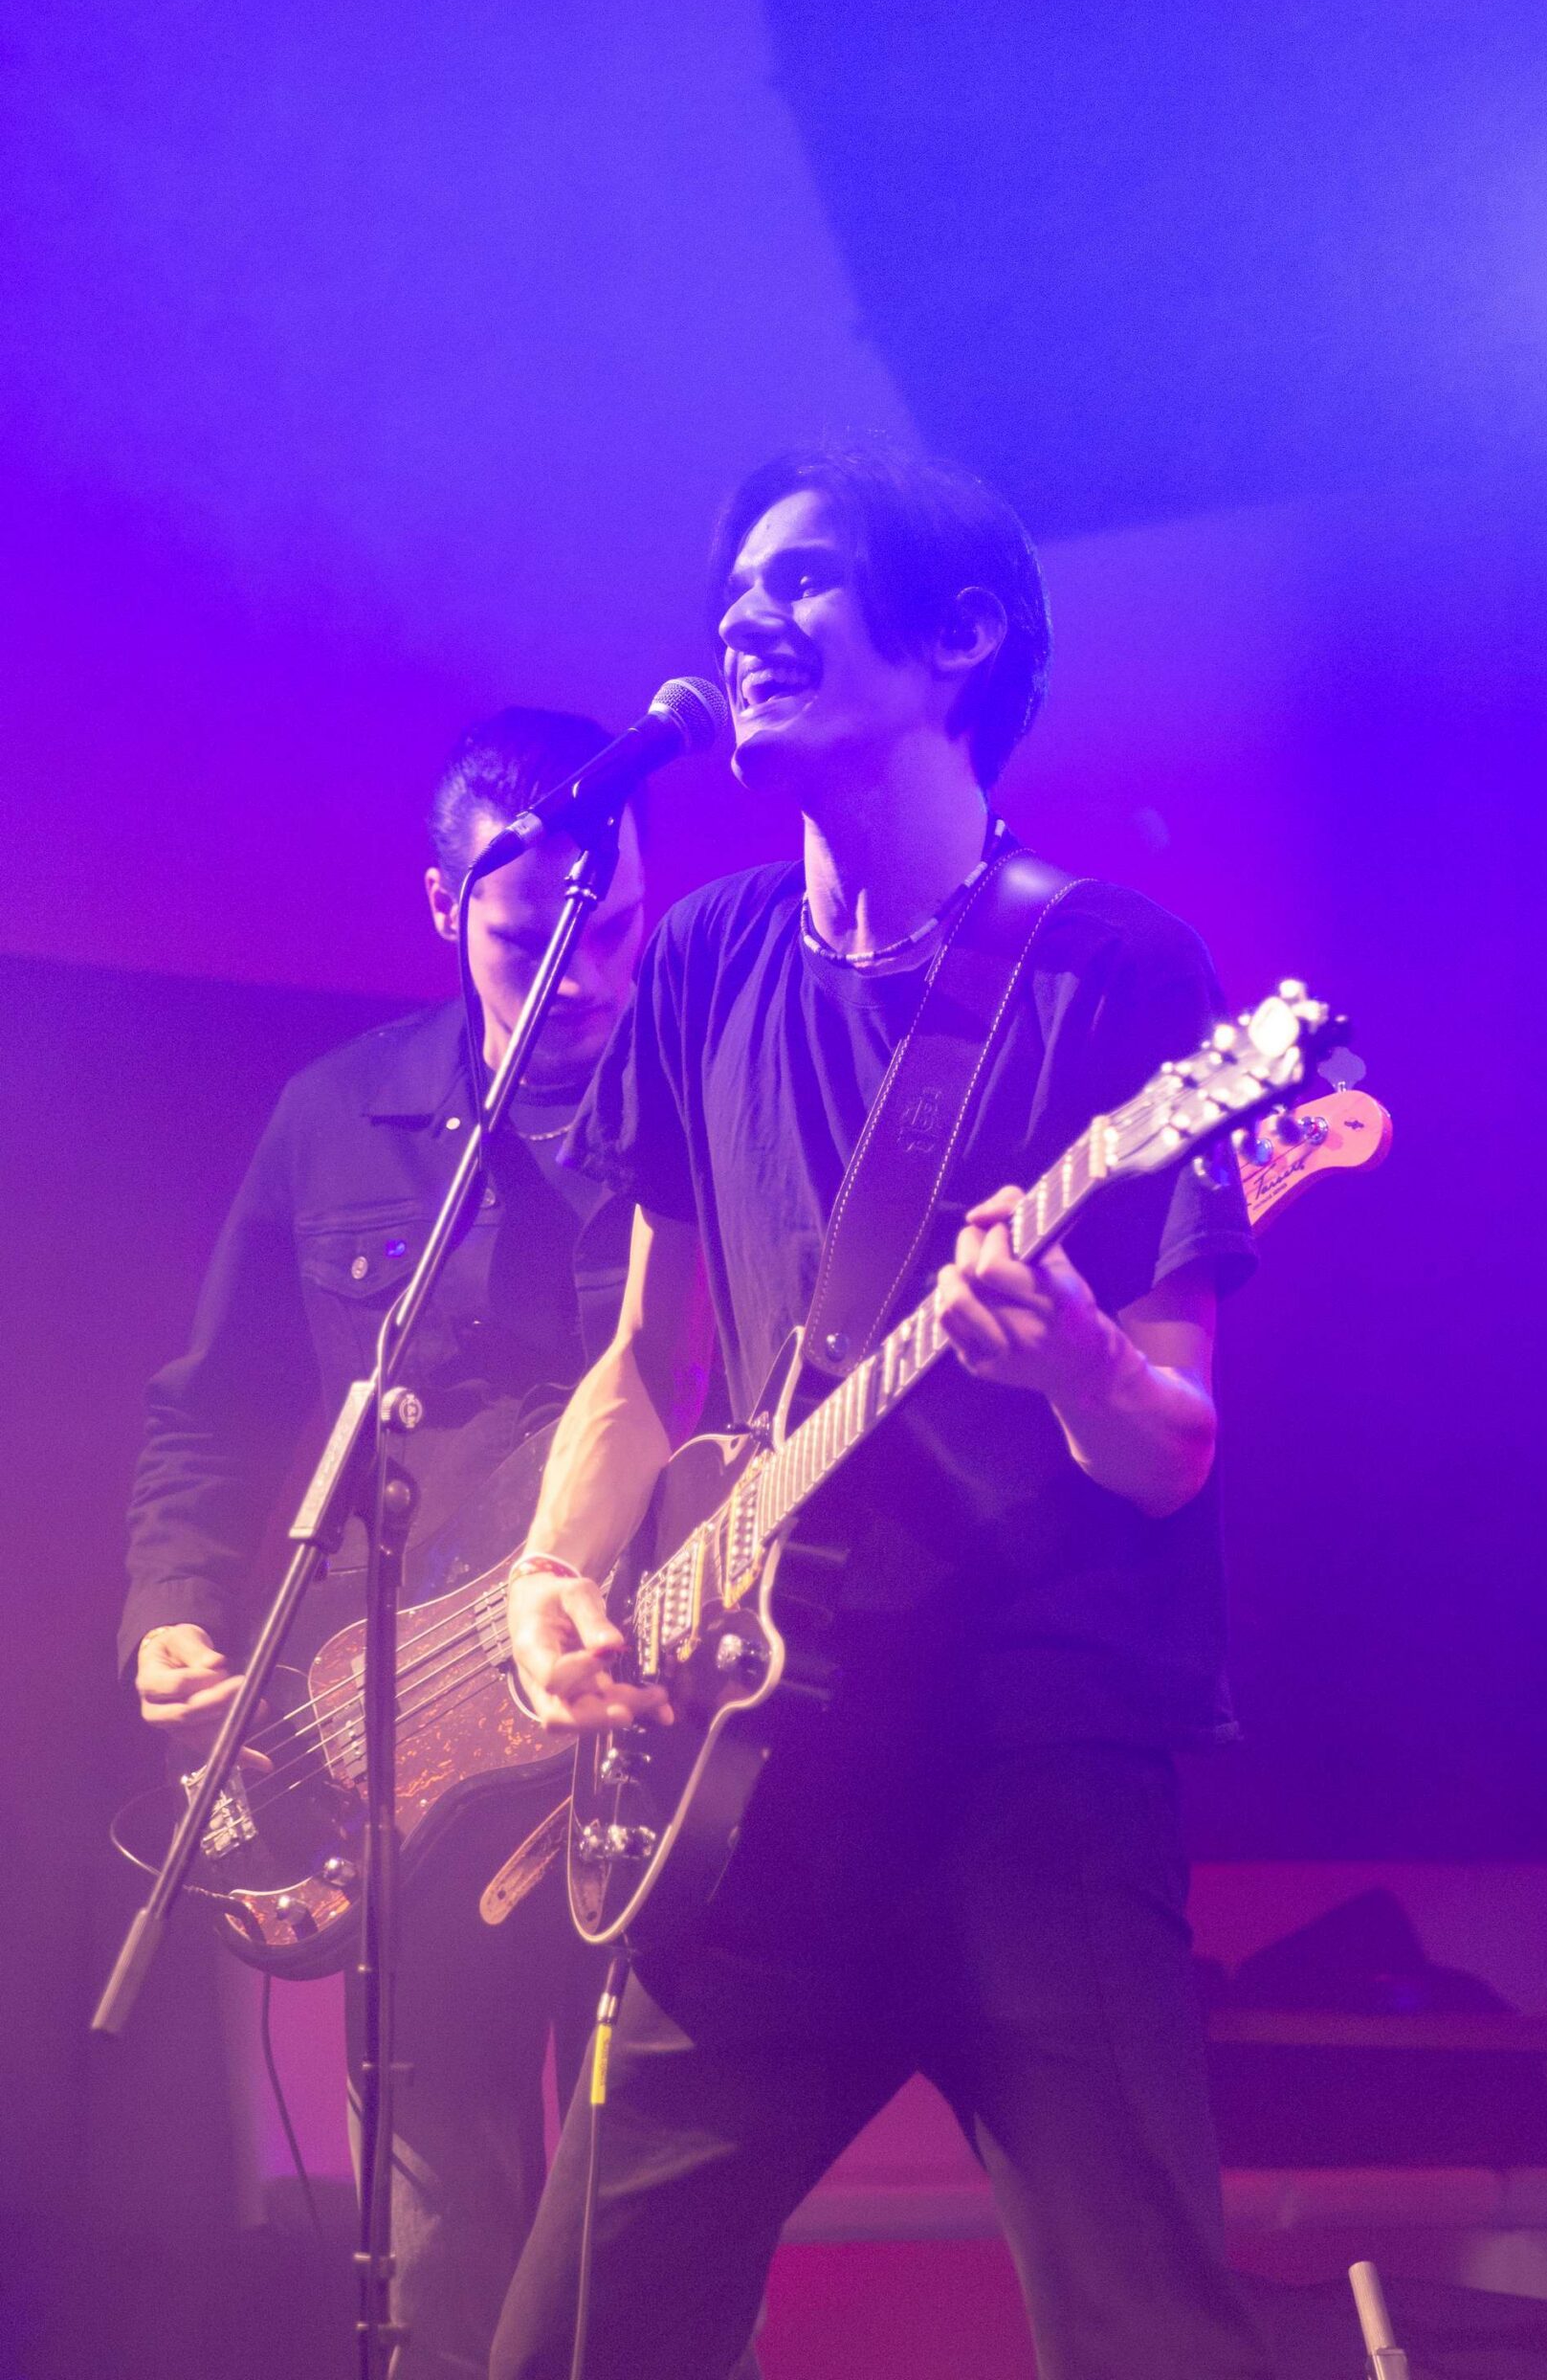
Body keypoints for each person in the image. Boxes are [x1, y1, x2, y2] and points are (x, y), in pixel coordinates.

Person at [491, 445, 1274, 2380]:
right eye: (731, 587)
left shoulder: (1115, 972)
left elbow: (1172, 1442)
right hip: (758, 1785)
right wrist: (552, 1573)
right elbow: (645, 1359)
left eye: (804, 579)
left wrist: (1077, 1361)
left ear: (958, 638)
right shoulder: (703, 955)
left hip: (1033, 1788)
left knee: (1151, 2344)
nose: (742, 616)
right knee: (571, 2344)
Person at [121, 708, 647, 2380]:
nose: (579, 977)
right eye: (529, 938)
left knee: (654, 2263)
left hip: (645, 1730)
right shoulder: (337, 1116)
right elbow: (213, 1406)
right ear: (443, 906)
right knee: (435, 2265)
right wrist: (173, 1608)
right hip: (406, 1757)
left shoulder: (703, 1107)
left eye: (615, 930)